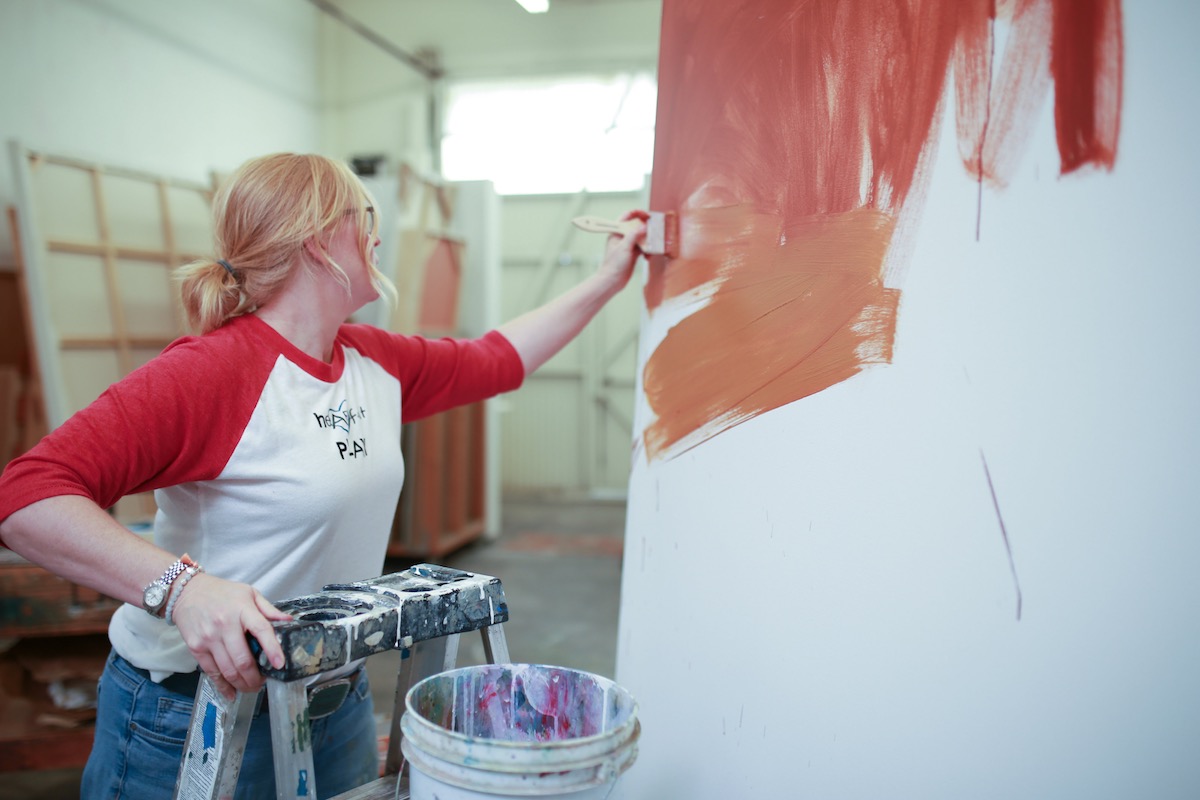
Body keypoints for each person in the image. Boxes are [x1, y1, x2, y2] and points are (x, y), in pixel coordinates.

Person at [0, 152, 645, 799]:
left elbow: (497, 359)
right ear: (317, 238)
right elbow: (25, 497)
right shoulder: (213, 372)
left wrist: (608, 281)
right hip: (192, 714)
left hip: (332, 697)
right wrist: (184, 590)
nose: (379, 233)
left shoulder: (371, 360)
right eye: (365, 215)